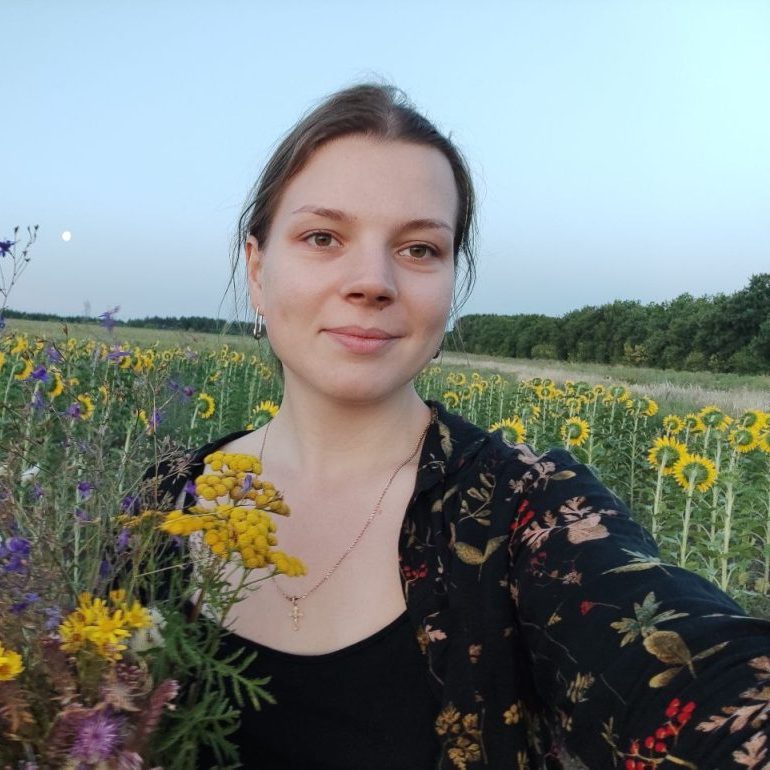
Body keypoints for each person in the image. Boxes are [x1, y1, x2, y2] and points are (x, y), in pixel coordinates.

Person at [159, 83, 770, 769]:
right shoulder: (164, 502)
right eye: (322, 237)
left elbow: (681, 661)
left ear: (451, 285)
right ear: (257, 268)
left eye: (420, 249)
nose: (372, 281)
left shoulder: (525, 511)